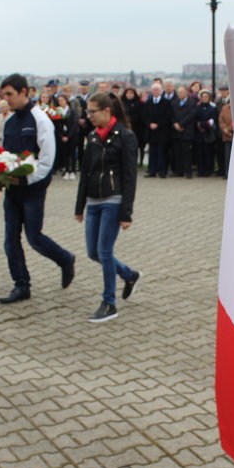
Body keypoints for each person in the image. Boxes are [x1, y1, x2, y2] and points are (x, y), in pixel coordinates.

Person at [0, 73, 76, 304]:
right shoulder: (10, 122)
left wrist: (25, 180)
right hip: (12, 190)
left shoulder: (40, 120)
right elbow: (4, 155)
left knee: (34, 237)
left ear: (24, 92)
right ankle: (21, 285)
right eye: (3, 95)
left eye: (10, 94)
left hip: (32, 190)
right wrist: (0, 175)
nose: (6, 99)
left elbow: (47, 161)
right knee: (10, 240)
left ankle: (65, 259)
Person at [74, 92, 141, 323]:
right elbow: (85, 173)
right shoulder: (92, 136)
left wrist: (126, 213)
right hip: (93, 201)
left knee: (104, 251)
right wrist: (79, 206)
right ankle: (129, 275)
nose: (89, 116)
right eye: (87, 112)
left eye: (92, 111)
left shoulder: (125, 136)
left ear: (106, 111)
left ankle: (109, 303)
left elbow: (130, 176)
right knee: (93, 253)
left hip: (113, 200)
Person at [142, 82, 172, 178]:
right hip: (151, 131)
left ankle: (162, 171)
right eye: (154, 90)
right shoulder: (148, 102)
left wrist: (158, 124)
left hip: (162, 131)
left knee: (162, 152)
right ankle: (152, 171)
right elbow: (144, 115)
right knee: (152, 152)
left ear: (161, 91)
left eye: (157, 90)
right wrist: (149, 124)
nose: (155, 92)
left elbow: (167, 116)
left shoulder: (166, 102)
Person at [170, 85, 195, 179]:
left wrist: (181, 124)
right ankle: (178, 171)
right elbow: (171, 115)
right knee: (177, 153)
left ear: (186, 93)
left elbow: (191, 115)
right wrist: (175, 124)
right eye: (178, 92)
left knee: (186, 153)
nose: (179, 94)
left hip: (186, 131)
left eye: (181, 92)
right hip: (176, 132)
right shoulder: (174, 103)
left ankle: (188, 172)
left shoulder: (191, 103)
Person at [55, 94, 78, 180]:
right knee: (65, 153)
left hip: (72, 135)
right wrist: (62, 136)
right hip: (63, 135)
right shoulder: (58, 111)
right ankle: (67, 170)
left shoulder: (72, 110)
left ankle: (73, 170)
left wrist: (68, 136)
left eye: (62, 100)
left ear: (66, 100)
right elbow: (58, 125)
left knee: (72, 153)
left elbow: (74, 124)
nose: (60, 102)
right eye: (59, 100)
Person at [121, 87, 145, 165]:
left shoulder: (139, 103)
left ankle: (136, 162)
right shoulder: (122, 103)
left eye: (131, 93)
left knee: (135, 146)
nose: (130, 95)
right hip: (124, 127)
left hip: (136, 128)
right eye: (128, 93)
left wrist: (130, 121)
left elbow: (140, 115)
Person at [219, 96, 233, 178]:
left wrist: (232, 128)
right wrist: (225, 129)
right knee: (227, 156)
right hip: (228, 136)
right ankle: (227, 173)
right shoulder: (225, 108)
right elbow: (221, 120)